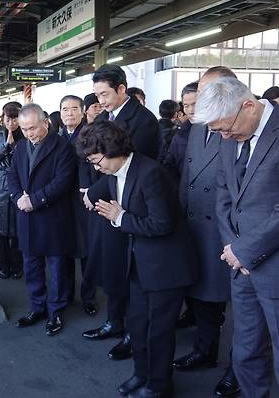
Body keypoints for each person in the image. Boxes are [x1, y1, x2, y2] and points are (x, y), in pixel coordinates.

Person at [194, 76, 279, 398]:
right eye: (217, 131)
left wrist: (243, 250)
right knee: (246, 355)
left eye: (226, 128)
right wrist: (232, 249)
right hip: (242, 267)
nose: (224, 136)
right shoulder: (229, 134)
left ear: (249, 106)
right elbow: (225, 195)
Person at [79, 121, 196, 398]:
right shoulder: (116, 170)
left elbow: (161, 224)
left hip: (165, 267)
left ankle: (159, 386)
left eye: (96, 161)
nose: (96, 167)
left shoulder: (150, 173)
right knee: (138, 325)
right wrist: (92, 196)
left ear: (112, 150)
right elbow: (101, 187)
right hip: (140, 263)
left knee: (158, 332)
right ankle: (141, 374)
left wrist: (120, 218)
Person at [82, 64, 160, 361]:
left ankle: (131, 331)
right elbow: (92, 158)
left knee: (130, 271)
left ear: (122, 89)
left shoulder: (144, 120)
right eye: (97, 94)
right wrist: (87, 191)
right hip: (106, 204)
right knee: (112, 265)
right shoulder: (104, 117)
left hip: (131, 205)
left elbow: (128, 166)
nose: (100, 100)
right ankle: (114, 321)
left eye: (105, 93)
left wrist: (93, 192)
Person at [172, 77, 229, 378]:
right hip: (193, 223)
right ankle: (204, 350)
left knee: (225, 300)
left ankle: (229, 363)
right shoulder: (195, 130)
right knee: (201, 292)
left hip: (221, 227)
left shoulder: (231, 128)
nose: (193, 110)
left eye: (199, 103)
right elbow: (186, 175)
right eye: (189, 105)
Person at [8, 103, 77, 336]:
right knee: (31, 265)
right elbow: (13, 175)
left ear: (45, 122)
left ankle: (55, 311)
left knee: (56, 266)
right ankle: (37, 307)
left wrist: (34, 200)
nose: (29, 134)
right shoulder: (20, 147)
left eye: (33, 128)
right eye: (24, 129)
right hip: (26, 215)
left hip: (52, 215)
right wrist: (18, 197)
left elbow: (63, 181)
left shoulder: (63, 147)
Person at [58, 95, 97, 315]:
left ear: (82, 112)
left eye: (74, 109)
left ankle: (88, 297)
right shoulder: (57, 136)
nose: (70, 113)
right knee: (64, 250)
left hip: (84, 199)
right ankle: (66, 294)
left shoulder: (90, 135)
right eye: (65, 110)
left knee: (86, 251)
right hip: (61, 201)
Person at [0, 102, 25, 280]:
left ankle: (17, 265)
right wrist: (6, 146)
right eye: (8, 118)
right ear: (3, 118)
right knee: (0, 231)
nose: (11, 123)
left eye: (15, 119)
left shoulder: (25, 134)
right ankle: (3, 265)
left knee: (17, 230)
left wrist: (14, 147)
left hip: (18, 186)